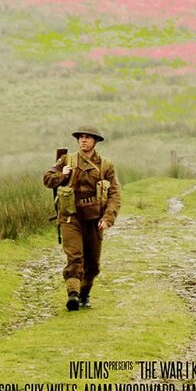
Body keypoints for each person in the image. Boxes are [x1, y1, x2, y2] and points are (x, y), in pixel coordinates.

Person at [43, 127, 121, 311]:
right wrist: (63, 175)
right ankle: (73, 295)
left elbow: (115, 194)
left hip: (95, 219)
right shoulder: (66, 160)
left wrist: (108, 218)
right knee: (75, 257)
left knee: (93, 265)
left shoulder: (106, 165)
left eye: (88, 138)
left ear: (95, 141)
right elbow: (47, 179)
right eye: (81, 137)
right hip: (71, 217)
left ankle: (84, 293)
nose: (83, 140)